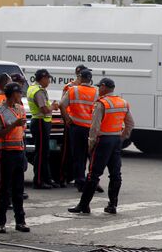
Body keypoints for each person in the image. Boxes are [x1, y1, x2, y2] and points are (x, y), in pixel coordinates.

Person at [69, 78, 134, 214]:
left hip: (103, 140)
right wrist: (121, 137)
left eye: (100, 87)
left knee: (93, 174)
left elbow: (94, 127)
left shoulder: (102, 104)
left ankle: (83, 205)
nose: (98, 89)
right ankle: (112, 205)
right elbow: (130, 124)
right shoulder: (123, 102)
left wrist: (91, 144)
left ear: (104, 87)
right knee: (115, 174)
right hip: (115, 139)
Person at [0, 83, 29, 233]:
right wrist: (14, 125)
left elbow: (23, 130)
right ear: (13, 94)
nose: (21, 94)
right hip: (6, 153)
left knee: (19, 189)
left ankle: (20, 221)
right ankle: (0, 221)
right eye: (19, 92)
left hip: (19, 152)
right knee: (4, 189)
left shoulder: (20, 108)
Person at [59, 69, 103, 193]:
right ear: (90, 79)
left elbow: (62, 104)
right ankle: (93, 181)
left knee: (79, 156)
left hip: (76, 127)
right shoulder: (96, 92)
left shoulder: (73, 90)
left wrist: (67, 119)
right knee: (92, 156)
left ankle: (80, 181)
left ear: (81, 78)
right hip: (91, 128)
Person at [56, 64, 88, 187]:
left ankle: (78, 176)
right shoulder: (70, 87)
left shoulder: (86, 88)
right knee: (67, 151)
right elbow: (63, 104)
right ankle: (62, 177)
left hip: (83, 124)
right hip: (71, 123)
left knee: (82, 153)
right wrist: (67, 119)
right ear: (79, 75)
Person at [27, 69, 59, 189]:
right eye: (48, 79)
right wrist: (54, 107)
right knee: (41, 153)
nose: (49, 81)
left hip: (41, 122)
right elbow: (44, 109)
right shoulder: (38, 91)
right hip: (40, 122)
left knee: (44, 153)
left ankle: (46, 178)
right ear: (43, 78)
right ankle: (39, 180)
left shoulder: (33, 88)